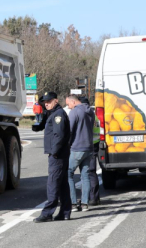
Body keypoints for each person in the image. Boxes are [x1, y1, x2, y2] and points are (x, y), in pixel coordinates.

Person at [33, 92, 72, 222]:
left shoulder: (58, 115)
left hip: (58, 155)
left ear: (56, 101)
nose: (46, 104)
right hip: (60, 154)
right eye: (45, 102)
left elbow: (59, 136)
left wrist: (54, 152)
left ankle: (47, 213)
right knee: (62, 184)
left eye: (49, 101)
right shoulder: (54, 113)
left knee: (53, 183)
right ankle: (65, 212)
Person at [65, 94, 94, 211]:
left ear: (73, 102)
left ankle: (72, 203)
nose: (68, 107)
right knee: (85, 176)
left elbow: (70, 130)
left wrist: (66, 144)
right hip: (89, 147)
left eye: (68, 104)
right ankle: (85, 203)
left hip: (77, 147)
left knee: (68, 173)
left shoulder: (74, 112)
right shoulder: (90, 111)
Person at [80, 97, 100, 205]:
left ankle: (91, 198)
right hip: (94, 145)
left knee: (88, 172)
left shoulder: (86, 116)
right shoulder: (94, 115)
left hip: (87, 146)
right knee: (91, 172)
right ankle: (95, 198)